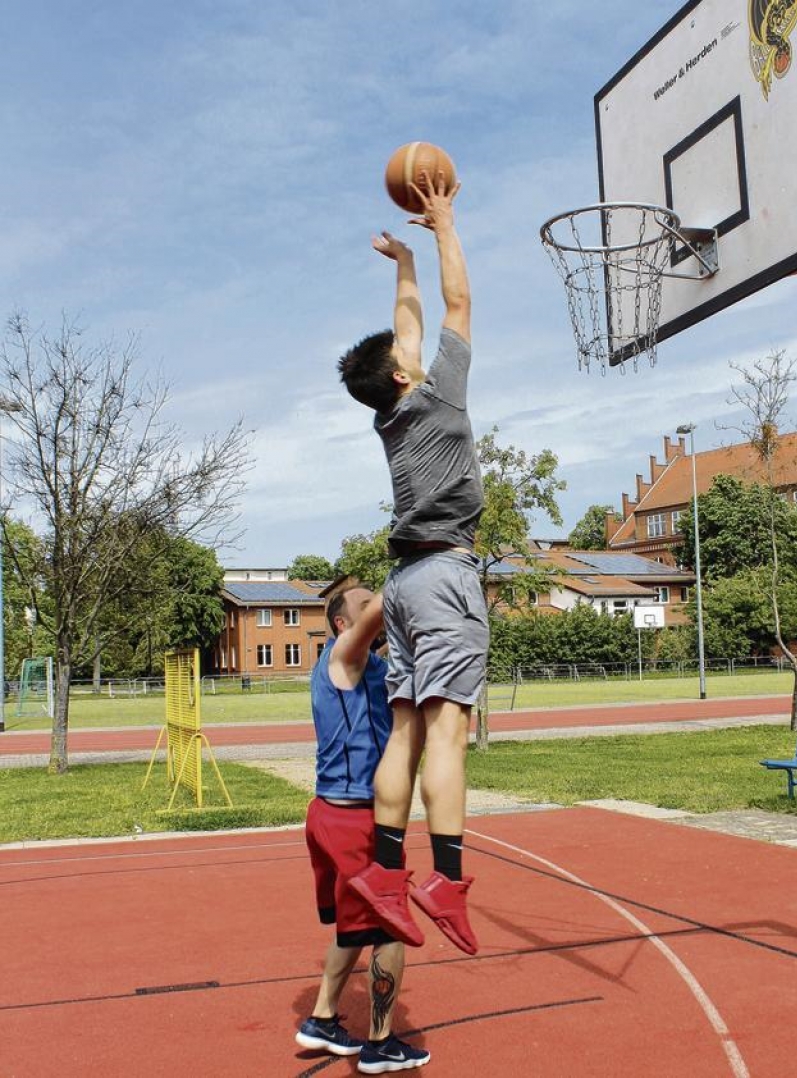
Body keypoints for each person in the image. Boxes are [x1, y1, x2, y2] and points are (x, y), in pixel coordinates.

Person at [338, 173, 488, 956]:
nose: (414, 349)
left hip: (399, 587)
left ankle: (389, 871)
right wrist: (444, 228)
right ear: (402, 375)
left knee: (404, 727)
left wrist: (401, 263)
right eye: (406, 353)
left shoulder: (392, 418)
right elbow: (456, 309)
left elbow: (413, 320)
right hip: (444, 580)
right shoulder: (439, 401)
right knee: (448, 734)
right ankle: (447, 879)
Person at [296, 582, 430, 1073]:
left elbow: (405, 641)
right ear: (342, 624)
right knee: (389, 926)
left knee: (354, 929)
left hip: (337, 814)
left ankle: (322, 1020)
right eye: (365, 602)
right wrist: (422, 567)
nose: (376, 604)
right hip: (353, 818)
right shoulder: (342, 657)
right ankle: (380, 1042)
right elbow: (382, 615)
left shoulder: (371, 662)